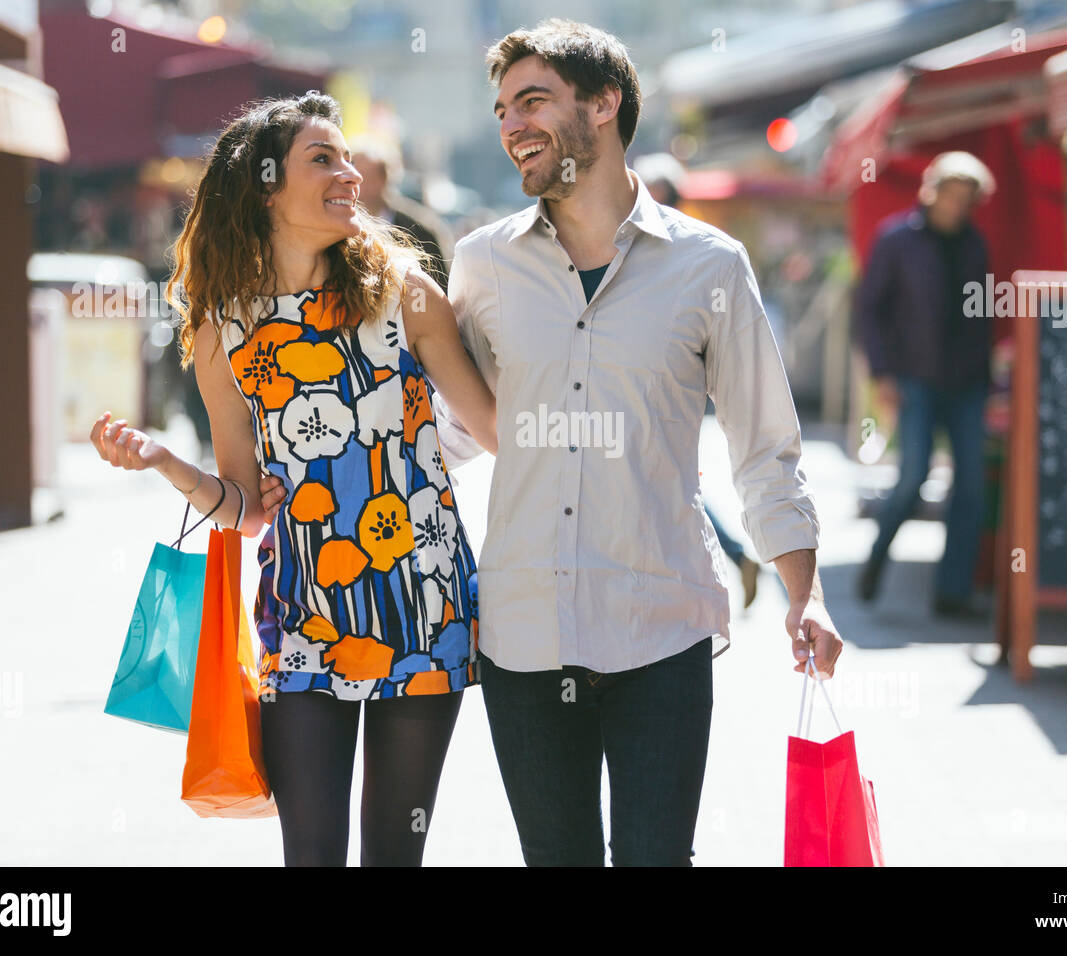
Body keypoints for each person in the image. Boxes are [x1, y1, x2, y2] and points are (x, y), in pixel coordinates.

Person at [284, 19, 838, 867]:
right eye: (503, 108)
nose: (512, 125)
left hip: (661, 624)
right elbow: (454, 428)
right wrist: (297, 478)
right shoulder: (481, 265)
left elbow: (766, 446)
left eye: (533, 101)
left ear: (605, 104)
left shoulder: (710, 268)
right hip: (524, 634)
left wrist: (806, 593)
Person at [90, 91, 498, 867]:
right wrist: (167, 464)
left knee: (392, 856)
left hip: (424, 607)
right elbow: (245, 509)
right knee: (310, 854)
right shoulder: (225, 327)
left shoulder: (403, 294)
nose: (349, 173)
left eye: (348, 157)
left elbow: (494, 427)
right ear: (266, 185)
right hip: (302, 618)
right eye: (324, 158)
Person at [853, 150, 995, 617]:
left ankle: (952, 591)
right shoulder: (897, 240)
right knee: (912, 478)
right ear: (932, 191)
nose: (957, 205)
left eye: (966, 197)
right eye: (952, 194)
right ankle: (876, 560)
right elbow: (870, 310)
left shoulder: (976, 245)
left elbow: (983, 317)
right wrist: (882, 374)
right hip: (914, 377)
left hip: (968, 383)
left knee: (971, 486)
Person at [635, 151, 763, 609]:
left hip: (677, 385)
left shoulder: (693, 249)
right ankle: (736, 556)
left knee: (666, 477)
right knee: (668, 475)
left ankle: (729, 556)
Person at [350, 136, 454, 290]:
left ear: (386, 178)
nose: (360, 185)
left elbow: (440, 286)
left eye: (367, 177)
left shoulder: (420, 229)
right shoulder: (338, 227)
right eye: (354, 177)